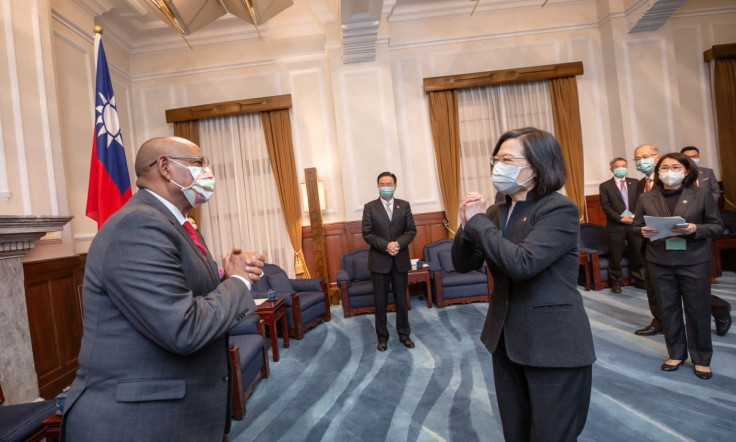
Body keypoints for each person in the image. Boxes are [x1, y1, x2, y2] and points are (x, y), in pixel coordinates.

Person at [62, 137, 266, 441]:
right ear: (166, 167)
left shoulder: (173, 223)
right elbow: (184, 328)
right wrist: (238, 282)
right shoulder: (137, 226)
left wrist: (227, 276)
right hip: (138, 422)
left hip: (175, 412)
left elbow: (188, 299)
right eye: (199, 164)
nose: (207, 172)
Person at [453, 127, 595, 441]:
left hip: (552, 343)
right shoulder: (495, 211)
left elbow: (523, 264)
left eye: (507, 159)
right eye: (496, 159)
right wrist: (465, 228)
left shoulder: (558, 208)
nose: (498, 167)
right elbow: (464, 264)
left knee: (550, 434)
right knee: (515, 432)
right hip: (505, 338)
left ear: (538, 166)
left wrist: (478, 225)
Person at [634, 152, 723, 379]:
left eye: (675, 167)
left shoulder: (701, 195)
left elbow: (716, 226)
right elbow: (634, 227)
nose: (669, 172)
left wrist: (695, 229)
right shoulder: (646, 198)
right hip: (660, 262)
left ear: (686, 171)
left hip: (693, 261)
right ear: (658, 171)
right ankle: (676, 353)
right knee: (668, 310)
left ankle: (702, 358)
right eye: (664, 167)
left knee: (697, 311)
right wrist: (641, 231)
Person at [362, 171, 417, 351]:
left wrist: (397, 244)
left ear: (395, 186)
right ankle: (382, 338)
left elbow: (411, 230)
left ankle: (404, 334)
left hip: (400, 260)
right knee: (380, 302)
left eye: (389, 184)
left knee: (402, 301)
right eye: (382, 184)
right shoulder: (369, 207)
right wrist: (386, 246)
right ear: (378, 186)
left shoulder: (404, 205)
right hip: (379, 261)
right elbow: (367, 234)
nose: (386, 187)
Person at [681, 146, 731, 336]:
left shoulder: (699, 175)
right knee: (670, 287)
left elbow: (715, 192)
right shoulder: (650, 182)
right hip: (662, 238)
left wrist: (705, 206)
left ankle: (718, 307)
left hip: (699, 229)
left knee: (692, 284)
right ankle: (662, 322)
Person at [632, 144, 665, 336]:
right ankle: (659, 320)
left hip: (670, 241)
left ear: (657, 157)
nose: (641, 161)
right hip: (647, 242)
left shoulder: (670, 180)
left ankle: (718, 306)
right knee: (652, 285)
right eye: (637, 159)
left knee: (682, 288)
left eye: (645, 156)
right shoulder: (639, 184)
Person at [599, 157, 643, 293]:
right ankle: (616, 283)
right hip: (616, 226)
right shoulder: (605, 186)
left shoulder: (636, 183)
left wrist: (634, 216)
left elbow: (641, 202)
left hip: (634, 224)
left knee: (638, 253)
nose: (622, 168)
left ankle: (638, 280)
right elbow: (606, 206)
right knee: (616, 256)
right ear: (612, 169)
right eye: (618, 166)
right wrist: (620, 218)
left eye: (624, 165)